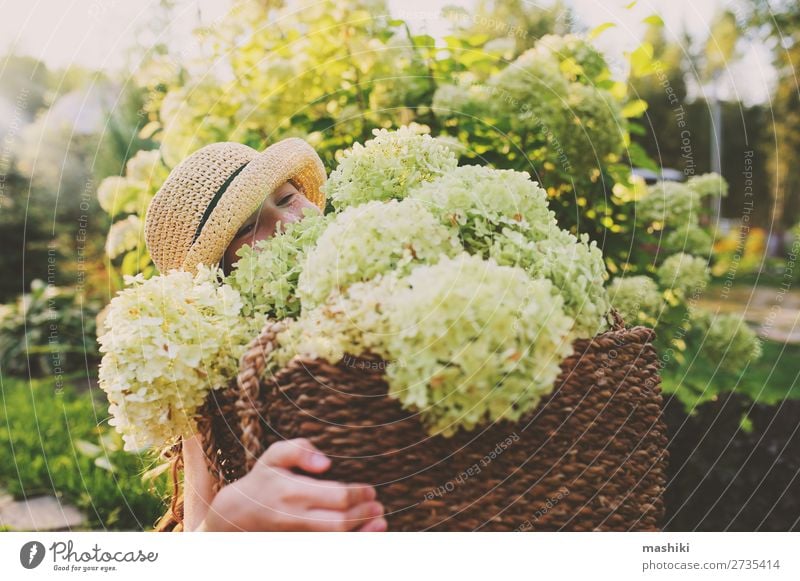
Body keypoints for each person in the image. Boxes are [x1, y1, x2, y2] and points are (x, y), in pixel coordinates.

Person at [142, 138, 387, 532]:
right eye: (245, 229)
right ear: (218, 280)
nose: (289, 224)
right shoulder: (215, 383)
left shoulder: (390, 278)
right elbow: (197, 533)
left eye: (287, 199)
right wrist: (227, 528)